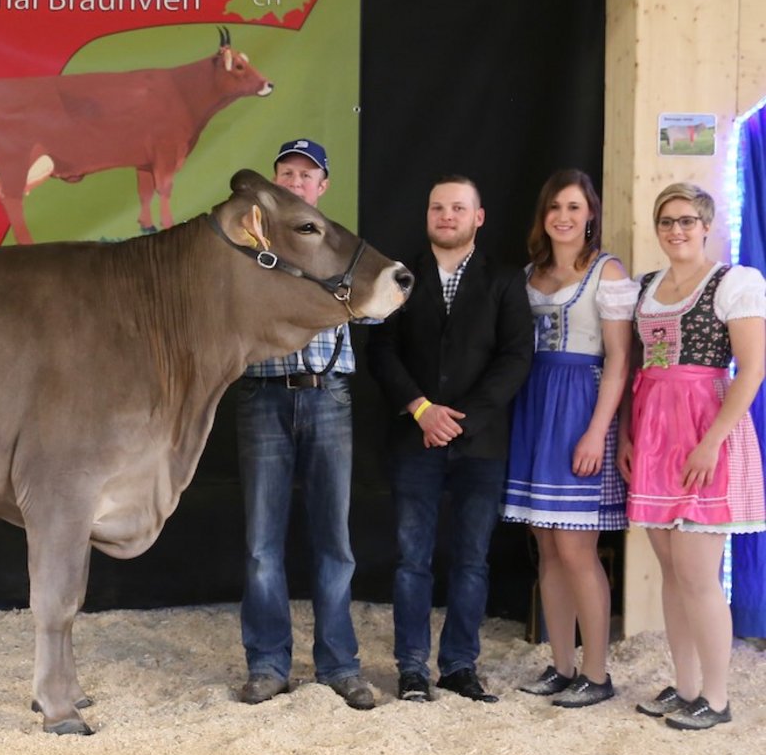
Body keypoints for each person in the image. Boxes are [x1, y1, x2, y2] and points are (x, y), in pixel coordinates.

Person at [367, 175, 533, 703]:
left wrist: (462, 419)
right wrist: (421, 409)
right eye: (438, 207)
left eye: (458, 208)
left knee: (471, 561)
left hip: (479, 443)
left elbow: (516, 357)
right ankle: (412, 667)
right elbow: (381, 351)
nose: (446, 216)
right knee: (411, 561)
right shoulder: (400, 278)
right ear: (427, 215)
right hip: (414, 438)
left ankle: (460, 665)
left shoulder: (504, 280)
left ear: (477, 218)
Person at [617, 182, 766, 730]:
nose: (675, 230)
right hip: (655, 431)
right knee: (673, 572)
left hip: (705, 428)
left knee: (700, 575)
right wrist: (628, 435)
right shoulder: (645, 288)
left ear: (706, 226)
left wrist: (711, 442)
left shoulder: (733, 283)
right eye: (667, 221)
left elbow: (751, 370)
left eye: (686, 221)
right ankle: (685, 687)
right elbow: (636, 370)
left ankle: (717, 698)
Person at [234, 138, 375, 711]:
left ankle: (339, 665)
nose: (296, 182)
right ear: (274, 183)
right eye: (287, 173)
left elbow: (374, 304)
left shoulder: (339, 245)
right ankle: (268, 665)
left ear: (322, 186)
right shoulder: (248, 246)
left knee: (334, 541)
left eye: (306, 175)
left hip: (327, 393)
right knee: (261, 544)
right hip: (263, 393)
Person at [502, 170, 635, 708]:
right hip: (535, 407)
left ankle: (596, 673)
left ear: (590, 214)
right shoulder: (528, 275)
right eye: (555, 206)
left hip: (580, 406)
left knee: (577, 548)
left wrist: (598, 432)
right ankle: (561, 665)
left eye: (574, 207)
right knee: (547, 546)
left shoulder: (607, 271)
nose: (563, 216)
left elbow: (620, 359)